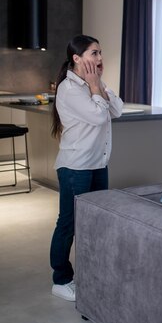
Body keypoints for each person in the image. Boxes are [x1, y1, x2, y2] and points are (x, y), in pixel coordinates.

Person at [49, 35, 123, 301]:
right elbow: (97, 115)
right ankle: (61, 279)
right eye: (94, 53)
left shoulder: (94, 83)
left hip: (97, 164)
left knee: (93, 222)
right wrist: (95, 86)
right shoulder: (69, 89)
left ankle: (92, 272)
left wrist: (97, 84)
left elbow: (117, 110)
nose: (100, 58)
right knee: (68, 223)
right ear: (77, 59)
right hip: (75, 167)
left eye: (100, 52)